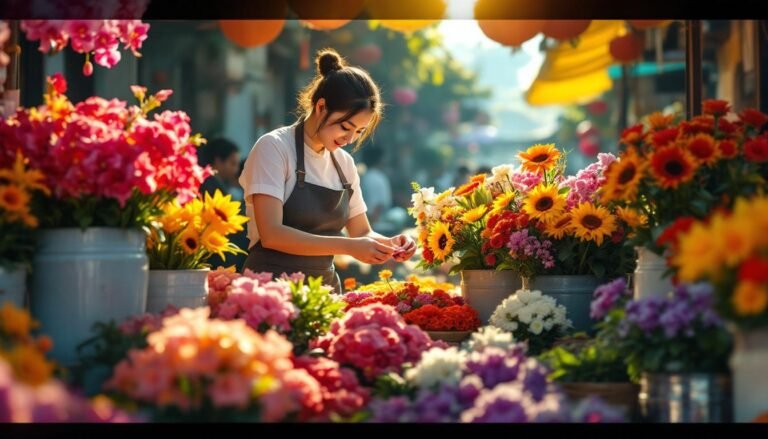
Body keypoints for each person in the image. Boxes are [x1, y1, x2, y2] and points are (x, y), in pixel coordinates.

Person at [239, 48, 416, 293]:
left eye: (359, 132)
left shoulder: (344, 164)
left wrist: (391, 244)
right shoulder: (274, 147)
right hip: (270, 290)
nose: (350, 138)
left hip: (324, 292)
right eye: (346, 126)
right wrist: (348, 247)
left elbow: (361, 232)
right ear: (321, 106)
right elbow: (272, 234)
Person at [360, 146, 392, 228]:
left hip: (365, 222)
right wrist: (371, 224)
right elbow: (379, 204)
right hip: (378, 225)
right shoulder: (379, 178)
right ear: (380, 159)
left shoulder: (365, 177)